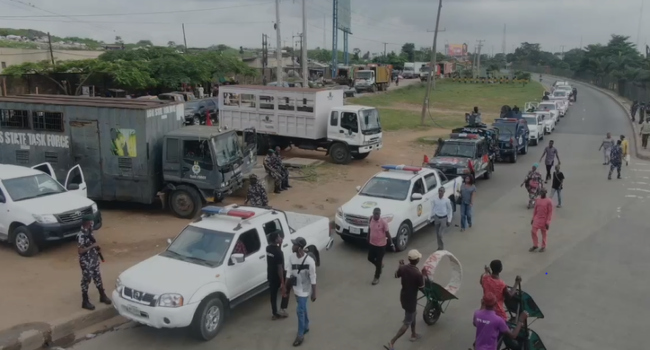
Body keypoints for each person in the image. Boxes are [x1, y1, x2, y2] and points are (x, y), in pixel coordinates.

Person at [384, 249, 424, 350]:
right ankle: (392, 342)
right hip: (411, 300)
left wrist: (400, 266)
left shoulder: (403, 268)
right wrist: (424, 275)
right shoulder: (418, 274)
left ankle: (413, 334)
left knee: (413, 314)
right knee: (407, 322)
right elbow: (422, 288)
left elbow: (396, 275)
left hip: (403, 297)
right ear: (417, 260)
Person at [286, 237, 317, 347]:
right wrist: (286, 288)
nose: (292, 246)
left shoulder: (310, 261)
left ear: (299, 247)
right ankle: (306, 326)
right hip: (296, 288)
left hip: (304, 289)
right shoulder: (291, 257)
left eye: (294, 244)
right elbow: (289, 272)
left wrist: (314, 292)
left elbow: (313, 277)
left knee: (299, 311)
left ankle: (300, 335)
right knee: (302, 308)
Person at [78, 215, 111, 310]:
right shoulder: (81, 235)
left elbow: (93, 242)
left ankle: (102, 295)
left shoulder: (89, 231)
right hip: (86, 261)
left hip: (93, 259)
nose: (92, 223)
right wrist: (92, 246)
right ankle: (85, 301)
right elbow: (80, 251)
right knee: (86, 279)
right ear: (87, 223)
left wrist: (96, 248)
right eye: (90, 222)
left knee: (98, 277)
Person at [367, 207, 394, 285]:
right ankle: (379, 265)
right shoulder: (370, 219)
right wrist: (368, 236)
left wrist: (391, 244)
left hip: (381, 246)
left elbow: (387, 233)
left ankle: (376, 277)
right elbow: (369, 228)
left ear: (379, 214)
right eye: (374, 213)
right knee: (370, 258)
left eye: (377, 214)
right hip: (372, 243)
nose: (375, 215)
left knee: (378, 261)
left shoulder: (383, 222)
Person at [267, 232, 289, 320]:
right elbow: (279, 267)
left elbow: (275, 254)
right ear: (276, 240)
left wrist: (280, 245)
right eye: (279, 237)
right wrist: (282, 282)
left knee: (273, 295)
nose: (281, 238)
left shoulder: (268, 248)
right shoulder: (279, 252)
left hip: (270, 275)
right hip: (278, 276)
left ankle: (274, 313)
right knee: (285, 291)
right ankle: (282, 310)